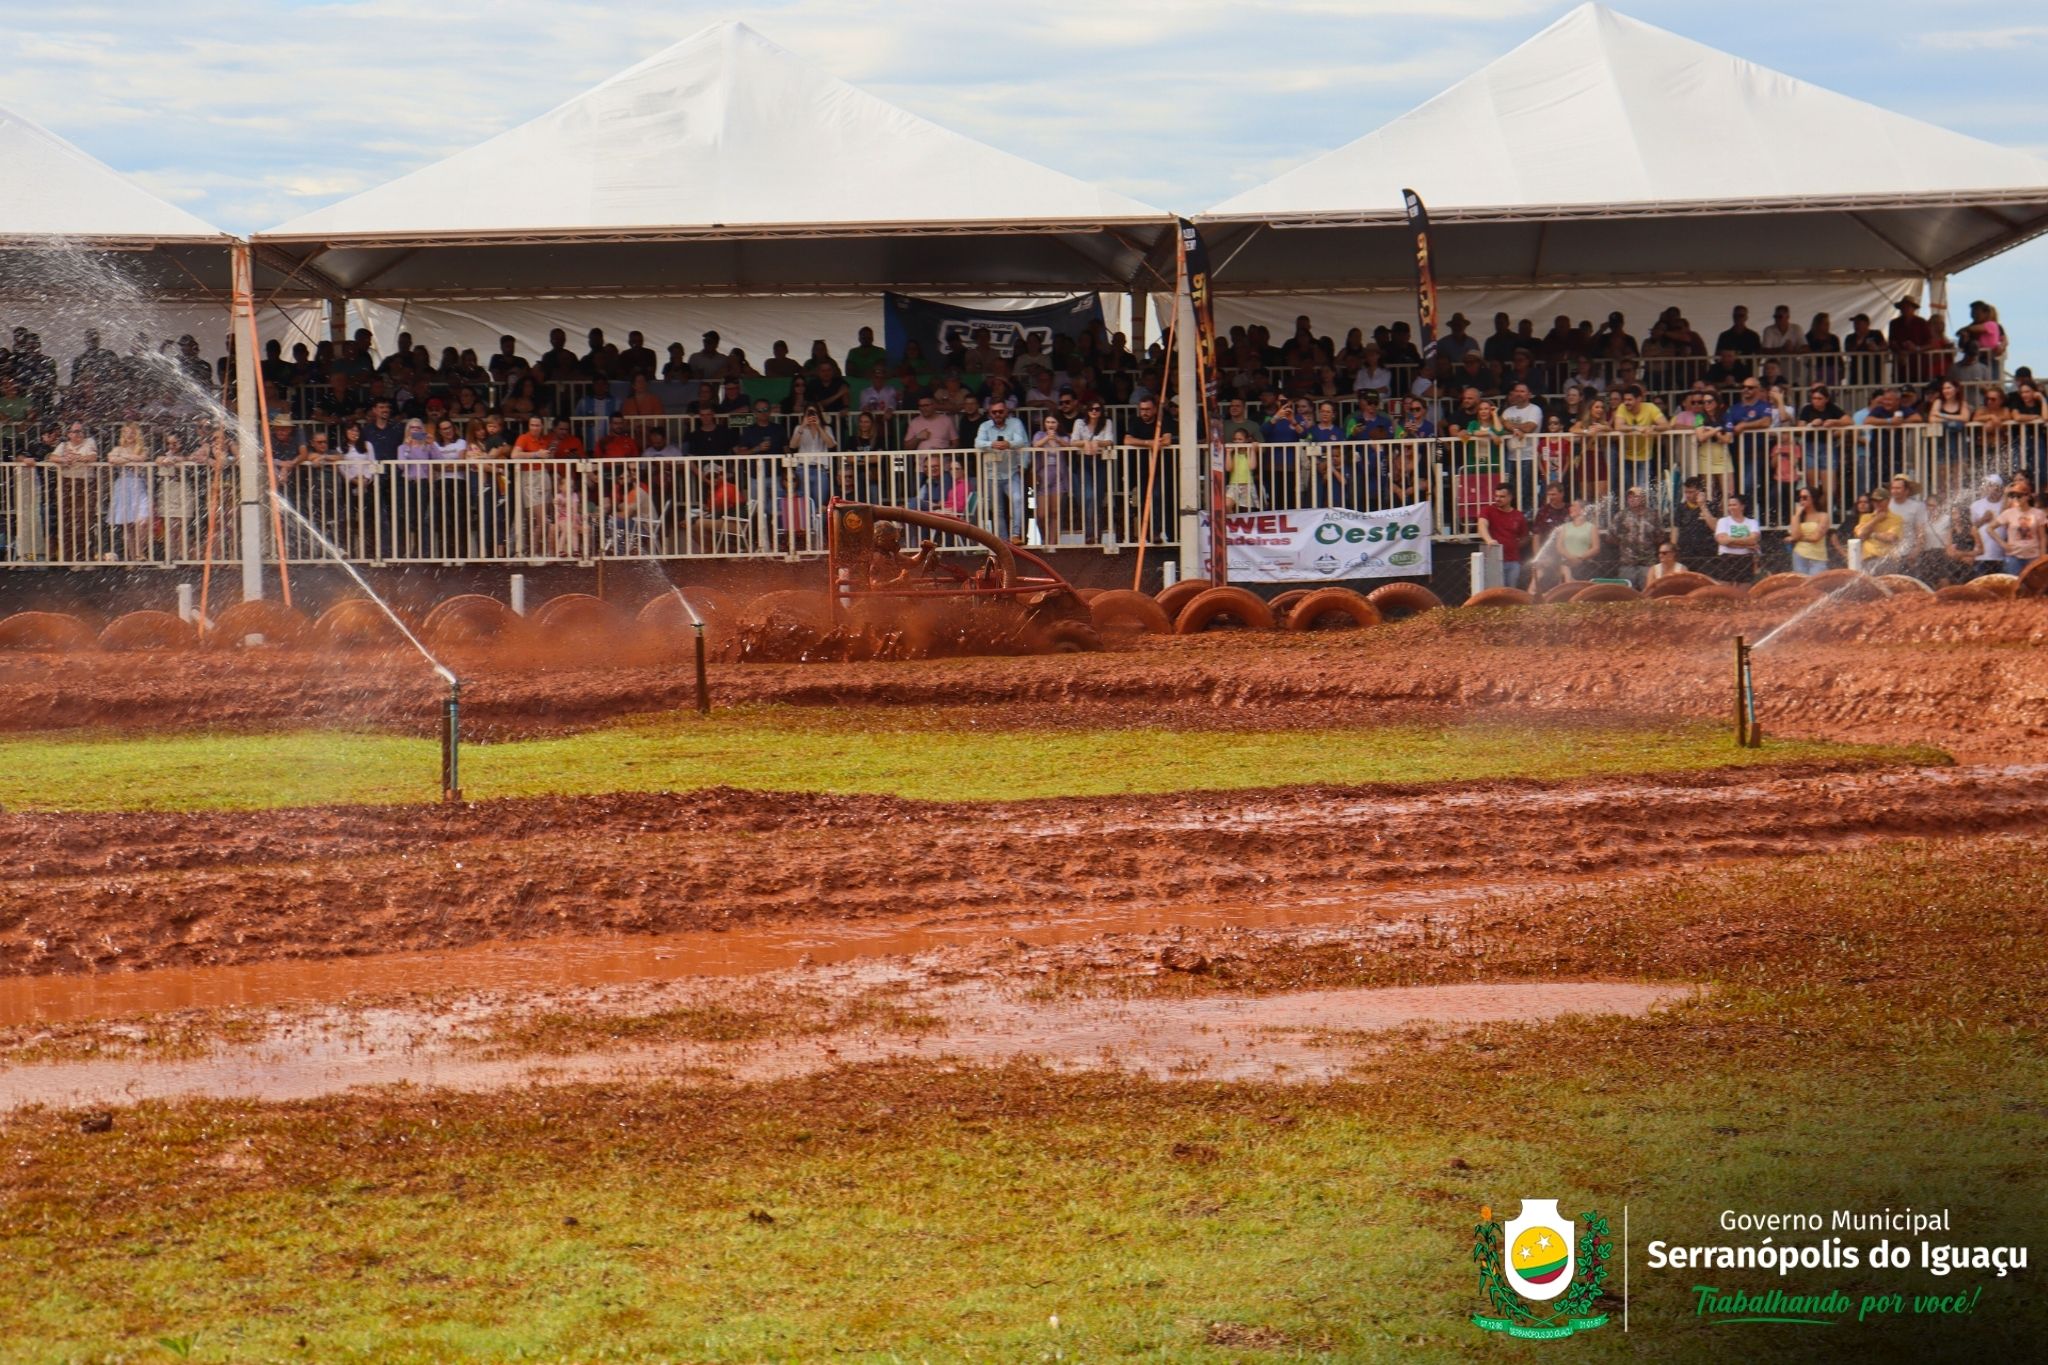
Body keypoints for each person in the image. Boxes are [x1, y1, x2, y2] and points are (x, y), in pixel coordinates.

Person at [973, 399, 1028, 541]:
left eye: (1000, 411)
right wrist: (992, 444)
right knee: (997, 510)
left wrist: (1008, 444)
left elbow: (1021, 441)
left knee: (1018, 499)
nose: (997, 414)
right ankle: (1003, 541)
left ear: (1006, 412)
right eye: (994, 412)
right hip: (991, 474)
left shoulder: (1015, 423)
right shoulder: (985, 426)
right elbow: (978, 443)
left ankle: (1016, 534)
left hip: (1012, 471)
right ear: (989, 413)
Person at [105, 422, 152, 561]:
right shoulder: (118, 448)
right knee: (128, 525)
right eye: (126, 432)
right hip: (124, 485)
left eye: (132, 432)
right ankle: (133, 557)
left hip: (138, 484)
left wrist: (124, 459)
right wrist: (130, 460)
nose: (129, 435)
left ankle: (139, 551)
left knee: (142, 520)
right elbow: (111, 459)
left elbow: (141, 458)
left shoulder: (142, 448)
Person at [1475, 485, 1528, 589]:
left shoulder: (1518, 516)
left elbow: (1525, 537)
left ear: (1510, 497)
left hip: (1513, 560)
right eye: (1496, 496)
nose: (1497, 499)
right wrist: (1489, 540)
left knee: (1511, 592)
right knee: (1495, 592)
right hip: (1494, 559)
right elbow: (1482, 525)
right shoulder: (1488, 510)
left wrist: (1514, 546)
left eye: (1502, 496)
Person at [1610, 486, 1664, 588]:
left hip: (1648, 564)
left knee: (1649, 592)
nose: (1632, 499)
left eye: (1636, 497)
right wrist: (1626, 545)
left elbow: (1660, 537)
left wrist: (1647, 545)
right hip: (1627, 564)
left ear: (1643, 498)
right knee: (1626, 595)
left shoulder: (1653, 515)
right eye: (1630, 497)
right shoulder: (1621, 516)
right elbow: (1611, 537)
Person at [1991, 485, 2044, 578]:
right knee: (2013, 584)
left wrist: (2042, 556)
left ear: (2027, 496)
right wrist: (2002, 543)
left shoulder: (2038, 513)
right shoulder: (2009, 513)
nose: (2016, 498)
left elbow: (2043, 537)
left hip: (2033, 556)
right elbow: (1990, 528)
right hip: (2014, 556)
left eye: (2019, 496)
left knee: (2033, 586)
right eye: (2014, 496)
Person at [1968, 474, 2009, 579]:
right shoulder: (1976, 505)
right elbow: (1971, 530)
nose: (1991, 488)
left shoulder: (2006, 504)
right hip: (1982, 556)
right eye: (1988, 485)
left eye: (1994, 485)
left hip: (2001, 556)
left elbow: (2006, 522)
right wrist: (1982, 520)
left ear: (2000, 488)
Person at [1712, 494, 1761, 582]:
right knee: (1726, 590)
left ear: (1742, 507)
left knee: (1744, 590)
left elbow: (1753, 540)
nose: (1731, 507)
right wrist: (1747, 544)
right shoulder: (1723, 521)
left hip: (1746, 559)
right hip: (1727, 558)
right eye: (1729, 505)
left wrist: (1730, 540)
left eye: (1734, 505)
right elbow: (1722, 541)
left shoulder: (1752, 522)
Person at [1785, 486, 1831, 576]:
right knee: (1801, 586)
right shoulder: (1797, 517)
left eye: (1805, 497)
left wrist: (1797, 538)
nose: (1802, 500)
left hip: (1818, 557)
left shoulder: (1823, 516)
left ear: (1813, 498)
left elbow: (1816, 537)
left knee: (1815, 586)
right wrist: (1797, 515)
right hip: (1799, 555)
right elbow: (1795, 535)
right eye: (1800, 498)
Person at [1555, 499, 1601, 581]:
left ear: (1583, 510)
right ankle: (1570, 582)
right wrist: (1570, 558)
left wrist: (1580, 558)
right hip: (1566, 562)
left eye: (1574, 506)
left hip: (1584, 564)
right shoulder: (1564, 527)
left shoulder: (1591, 527)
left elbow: (1596, 548)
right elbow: (1559, 546)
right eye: (1571, 506)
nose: (1570, 508)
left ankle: (1571, 582)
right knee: (1565, 568)